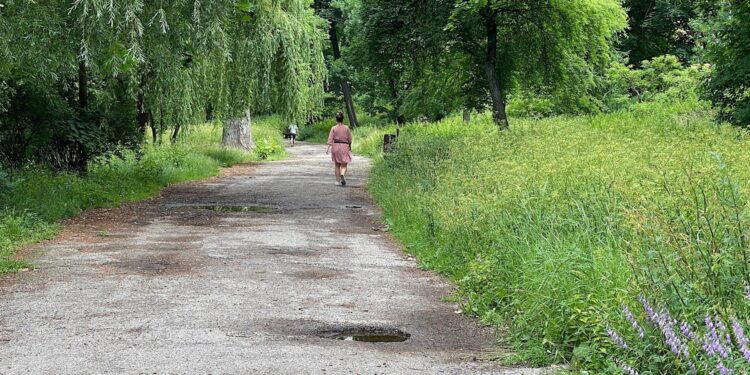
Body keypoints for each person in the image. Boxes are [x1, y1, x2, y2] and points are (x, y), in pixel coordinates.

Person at [326, 112, 353, 186]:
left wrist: (328, 149)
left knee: (337, 165)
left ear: (336, 119)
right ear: (342, 119)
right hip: (344, 146)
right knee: (344, 164)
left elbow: (330, 139)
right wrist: (350, 145)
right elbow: (350, 139)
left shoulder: (333, 128)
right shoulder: (346, 128)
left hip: (336, 146)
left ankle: (337, 181)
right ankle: (342, 174)